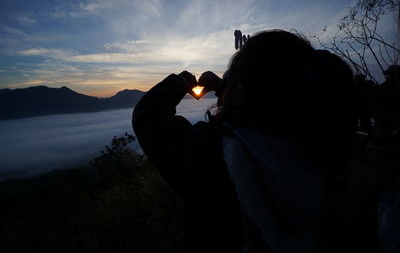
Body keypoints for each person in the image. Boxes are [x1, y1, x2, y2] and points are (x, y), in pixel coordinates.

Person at [132, 30, 357, 252]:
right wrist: (224, 87)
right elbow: (267, 106)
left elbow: (149, 118)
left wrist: (179, 83)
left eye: (230, 78)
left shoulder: (213, 152)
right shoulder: (316, 144)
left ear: (238, 93)